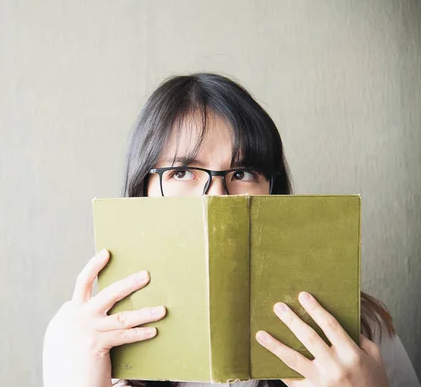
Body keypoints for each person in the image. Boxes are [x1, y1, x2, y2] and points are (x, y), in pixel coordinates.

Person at [42, 73, 420, 387]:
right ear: (142, 188)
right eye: (182, 172)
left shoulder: (356, 330)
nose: (217, 196)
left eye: (241, 173)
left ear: (274, 189)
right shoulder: (79, 335)